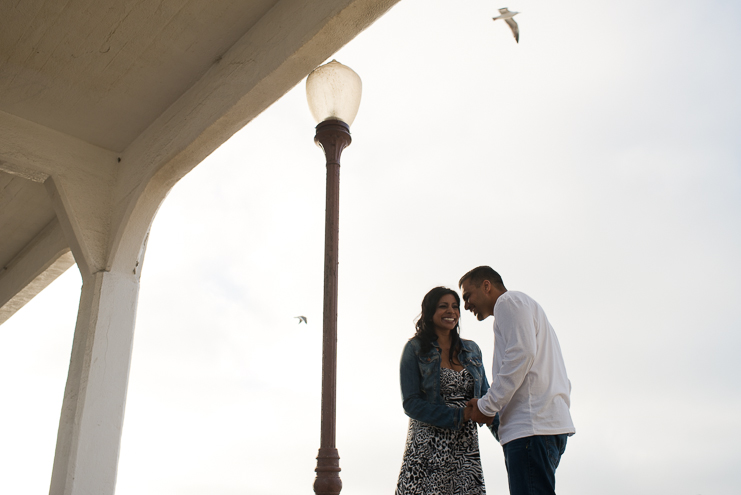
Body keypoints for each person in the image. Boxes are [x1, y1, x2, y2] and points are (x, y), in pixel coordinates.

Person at [459, 266, 575, 495]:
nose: (466, 305)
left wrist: (486, 406)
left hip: (530, 431)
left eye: (467, 296)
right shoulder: (526, 307)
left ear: (486, 285)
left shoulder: (508, 302)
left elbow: (521, 353)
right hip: (542, 428)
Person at [396, 286, 498, 495]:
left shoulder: (472, 350)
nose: (451, 311)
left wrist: (507, 436)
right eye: (443, 306)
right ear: (430, 312)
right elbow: (411, 403)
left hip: (465, 448)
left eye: (455, 306)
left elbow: (487, 397)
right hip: (427, 447)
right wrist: (458, 414)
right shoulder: (415, 349)